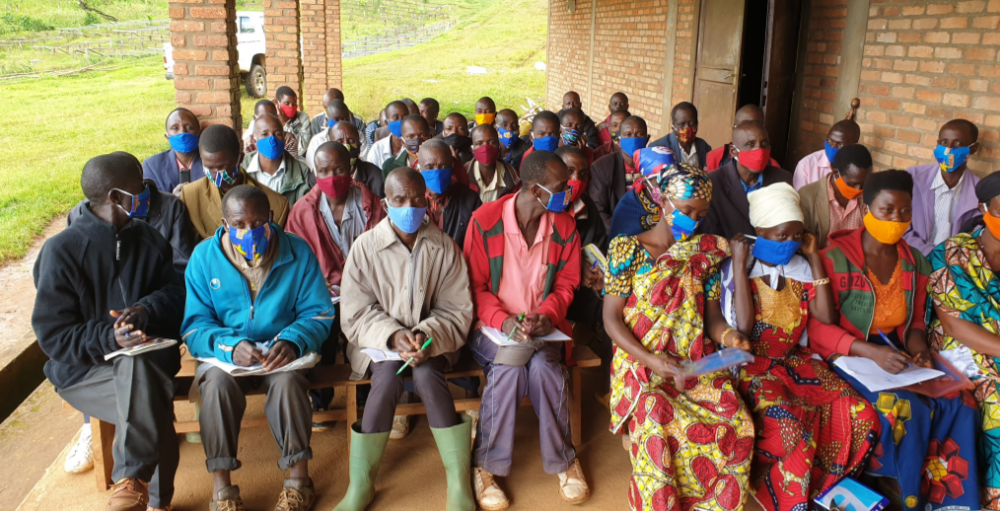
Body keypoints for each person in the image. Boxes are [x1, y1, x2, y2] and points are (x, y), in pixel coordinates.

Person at [809, 170, 982, 511]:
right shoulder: (836, 257)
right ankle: (906, 492)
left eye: (905, 212)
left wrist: (920, 353)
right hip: (849, 353)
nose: (897, 219)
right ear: (867, 207)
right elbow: (817, 329)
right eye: (887, 210)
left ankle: (952, 500)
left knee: (962, 401)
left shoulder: (914, 262)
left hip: (896, 355)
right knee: (904, 406)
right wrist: (870, 352)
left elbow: (916, 323)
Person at [34, 152, 185, 511]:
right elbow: (54, 337)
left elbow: (178, 293)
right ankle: (153, 499)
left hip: (151, 356)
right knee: (151, 403)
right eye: (140, 187)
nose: (148, 191)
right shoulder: (61, 252)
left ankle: (132, 484)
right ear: (116, 197)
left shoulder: (148, 239)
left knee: (141, 373)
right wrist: (109, 338)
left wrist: (146, 309)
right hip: (85, 371)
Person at [602, 160, 754, 511]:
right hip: (641, 365)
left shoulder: (704, 256)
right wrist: (653, 360)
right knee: (657, 414)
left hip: (692, 362)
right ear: (661, 200)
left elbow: (712, 318)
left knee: (737, 419)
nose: (694, 221)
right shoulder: (628, 249)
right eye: (686, 210)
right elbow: (611, 319)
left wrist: (730, 338)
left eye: (701, 214)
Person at [721, 183, 880, 511]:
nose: (790, 243)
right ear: (759, 230)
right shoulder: (737, 268)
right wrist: (738, 265)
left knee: (861, 412)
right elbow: (743, 329)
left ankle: (827, 488)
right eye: (782, 236)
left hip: (797, 361)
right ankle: (784, 497)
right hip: (752, 365)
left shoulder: (802, 266)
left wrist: (813, 258)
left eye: (797, 236)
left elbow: (824, 315)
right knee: (790, 427)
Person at [182, 184, 332, 510]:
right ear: (224, 223)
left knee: (288, 384)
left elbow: (319, 313)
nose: (248, 231)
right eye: (238, 225)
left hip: (281, 356)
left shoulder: (297, 252)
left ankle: (298, 482)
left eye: (257, 223)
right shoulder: (204, 259)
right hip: (227, 358)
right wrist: (230, 345)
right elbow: (195, 326)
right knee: (216, 386)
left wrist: (292, 340)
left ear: (272, 218)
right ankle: (222, 490)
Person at [337, 167, 475, 511]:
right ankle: (361, 485)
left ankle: (458, 481)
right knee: (384, 379)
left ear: (427, 200)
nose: (410, 207)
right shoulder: (365, 248)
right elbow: (355, 312)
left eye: (417, 199)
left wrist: (425, 337)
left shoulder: (444, 248)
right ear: (385, 203)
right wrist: (393, 335)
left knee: (428, 375)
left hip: (434, 344)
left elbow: (457, 309)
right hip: (379, 345)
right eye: (400, 199)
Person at [464, 151, 590, 510]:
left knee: (542, 368)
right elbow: (474, 287)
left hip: (542, 331)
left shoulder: (564, 227)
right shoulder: (485, 221)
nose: (569, 191)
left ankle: (563, 462)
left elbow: (567, 284)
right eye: (561, 187)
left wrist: (548, 316)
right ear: (535, 190)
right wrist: (504, 321)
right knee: (509, 366)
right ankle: (486, 466)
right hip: (491, 329)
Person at [287, 141, 385, 417]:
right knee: (321, 334)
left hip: (366, 292)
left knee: (367, 338)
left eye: (339, 169)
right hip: (323, 294)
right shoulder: (303, 211)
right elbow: (294, 260)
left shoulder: (370, 205)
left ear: (351, 168)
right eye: (324, 170)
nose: (332, 177)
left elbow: (385, 252)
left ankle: (366, 396)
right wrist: (318, 284)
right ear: (314, 172)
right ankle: (320, 399)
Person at [927, 172, 1000, 511]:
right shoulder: (953, 252)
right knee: (996, 397)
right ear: (984, 208)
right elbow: (954, 326)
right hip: (960, 348)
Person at [556, 145, 611, 396]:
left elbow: (598, 249)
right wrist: (574, 264)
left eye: (583, 174)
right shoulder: (540, 207)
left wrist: (596, 276)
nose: (576, 180)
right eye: (569, 172)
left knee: (614, 309)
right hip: (548, 292)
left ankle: (612, 387)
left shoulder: (586, 209)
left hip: (582, 293)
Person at [180, 124, 289, 240]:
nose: (216, 174)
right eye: (209, 167)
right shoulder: (190, 196)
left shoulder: (276, 204)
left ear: (240, 158)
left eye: (223, 167)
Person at [68, 178, 197, 273]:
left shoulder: (170, 207)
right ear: (116, 197)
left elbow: (181, 267)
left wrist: (148, 305)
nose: (146, 188)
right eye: (140, 186)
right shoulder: (76, 218)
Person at [699, 121, 792, 238]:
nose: (759, 150)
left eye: (764, 143)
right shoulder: (712, 183)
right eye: (750, 144)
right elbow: (710, 234)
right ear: (733, 151)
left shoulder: (783, 179)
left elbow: (788, 226)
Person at [904, 119, 983, 254]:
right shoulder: (912, 178)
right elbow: (900, 226)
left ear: (973, 148)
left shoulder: (980, 193)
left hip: (952, 268)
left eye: (958, 143)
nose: (948, 150)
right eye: (944, 143)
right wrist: (930, 254)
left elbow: (976, 237)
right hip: (911, 259)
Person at [799, 144, 873, 248]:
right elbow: (803, 243)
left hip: (858, 261)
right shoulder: (808, 197)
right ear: (835, 173)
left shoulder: (872, 196)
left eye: (864, 183)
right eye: (852, 184)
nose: (858, 189)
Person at [589, 115, 650, 230]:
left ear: (647, 138)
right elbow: (598, 210)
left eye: (639, 134)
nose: (634, 138)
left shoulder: (656, 166)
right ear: (619, 140)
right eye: (628, 135)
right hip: (617, 232)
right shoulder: (602, 167)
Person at [421, 138, 482, 247]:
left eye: (443, 166)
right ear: (419, 170)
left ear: (452, 168)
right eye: (429, 167)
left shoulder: (470, 200)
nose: (437, 173)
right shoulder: (411, 203)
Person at [242, 113, 311, 206]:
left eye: (277, 134)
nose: (272, 139)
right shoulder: (243, 171)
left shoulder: (302, 172)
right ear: (255, 140)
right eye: (265, 134)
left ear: (284, 138)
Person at [142, 107, 203, 194]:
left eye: (189, 127)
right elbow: (153, 203)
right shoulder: (152, 166)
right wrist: (173, 200)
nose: (182, 132)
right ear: (167, 137)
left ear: (199, 133)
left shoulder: (212, 162)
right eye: (175, 128)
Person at [705, 105, 780, 171]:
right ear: (734, 129)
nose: (749, 132)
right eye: (743, 126)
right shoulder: (714, 158)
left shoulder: (773, 166)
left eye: (755, 126)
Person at [792, 119, 861, 190]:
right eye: (830, 140)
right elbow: (800, 198)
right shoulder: (806, 165)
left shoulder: (860, 170)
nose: (832, 147)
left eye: (840, 144)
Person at [324, 121, 385, 198]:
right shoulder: (320, 174)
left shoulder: (376, 177)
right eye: (339, 142)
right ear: (330, 146)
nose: (347, 146)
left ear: (360, 144)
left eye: (352, 141)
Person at [650, 101, 712, 169]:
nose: (687, 128)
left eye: (691, 123)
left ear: (697, 123)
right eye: (681, 124)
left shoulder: (703, 146)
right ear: (673, 126)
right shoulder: (658, 149)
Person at [468, 123, 520, 203]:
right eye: (479, 143)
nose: (486, 148)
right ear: (472, 150)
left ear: (499, 147)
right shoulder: (464, 175)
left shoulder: (512, 177)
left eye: (491, 142)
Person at [305, 99, 359, 167]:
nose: (341, 122)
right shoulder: (317, 141)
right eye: (336, 120)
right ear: (327, 121)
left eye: (345, 119)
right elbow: (312, 167)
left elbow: (364, 160)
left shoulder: (358, 136)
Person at [365, 101, 409, 169]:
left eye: (405, 117)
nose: (401, 121)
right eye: (395, 117)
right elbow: (371, 175)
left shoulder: (415, 147)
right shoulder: (377, 149)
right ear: (387, 123)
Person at [272, 85, 312, 158]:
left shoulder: (303, 118)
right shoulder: (270, 119)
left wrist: (285, 124)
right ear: (278, 103)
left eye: (294, 104)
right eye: (286, 103)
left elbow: (301, 149)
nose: (291, 107)